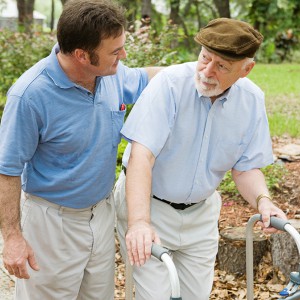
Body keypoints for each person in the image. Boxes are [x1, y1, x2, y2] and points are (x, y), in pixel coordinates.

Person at [114, 18, 287, 300]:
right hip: (150, 207)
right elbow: (141, 158)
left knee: (196, 295)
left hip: (201, 213)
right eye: (205, 58)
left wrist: (263, 200)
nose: (207, 71)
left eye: (222, 66)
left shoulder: (252, 100)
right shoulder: (169, 85)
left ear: (246, 69)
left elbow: (245, 169)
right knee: (155, 296)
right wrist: (139, 223)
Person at [0, 0, 163, 299]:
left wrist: (205, 69)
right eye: (115, 51)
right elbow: (6, 170)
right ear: (82, 55)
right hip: (52, 224)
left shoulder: (111, 75)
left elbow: (149, 77)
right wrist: (11, 237)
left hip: (101, 215)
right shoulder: (29, 95)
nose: (123, 56)